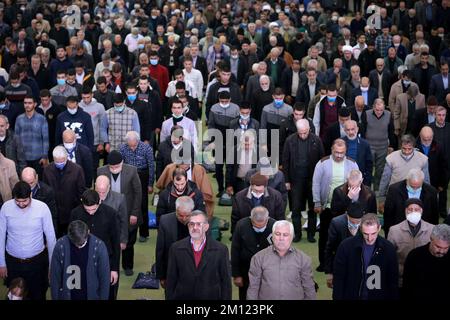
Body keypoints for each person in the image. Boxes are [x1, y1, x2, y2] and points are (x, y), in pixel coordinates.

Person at [0, 181, 56, 300]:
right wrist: (2, 263)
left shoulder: (42, 208)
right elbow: (1, 236)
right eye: (18, 201)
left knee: (38, 294)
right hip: (13, 263)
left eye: (24, 201)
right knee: (15, 297)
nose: (21, 204)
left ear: (30, 195)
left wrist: (52, 265)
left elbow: (51, 238)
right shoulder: (6, 208)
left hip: (37, 263)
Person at [313, 139, 359, 271]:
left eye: (342, 153)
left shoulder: (352, 164)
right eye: (336, 152)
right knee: (324, 237)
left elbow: (359, 183)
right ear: (332, 150)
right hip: (327, 207)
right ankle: (324, 263)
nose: (339, 155)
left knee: (345, 237)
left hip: (347, 208)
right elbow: (316, 183)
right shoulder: (322, 163)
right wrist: (317, 202)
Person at [166, 210, 231, 300]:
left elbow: (226, 282)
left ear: (206, 227)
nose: (195, 227)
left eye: (199, 224)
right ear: (188, 226)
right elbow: (171, 281)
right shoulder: (176, 248)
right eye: (192, 224)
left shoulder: (221, 250)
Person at [332, 213, 399, 300]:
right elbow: (339, 278)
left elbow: (392, 281)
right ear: (360, 229)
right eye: (366, 234)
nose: (370, 238)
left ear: (379, 228)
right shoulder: (346, 246)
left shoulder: (388, 249)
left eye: (373, 233)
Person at [97, 151, 142, 276]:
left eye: (117, 167)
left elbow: (138, 193)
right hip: (108, 211)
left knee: (129, 240)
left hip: (128, 211)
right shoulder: (101, 171)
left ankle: (127, 266)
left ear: (122, 163)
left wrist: (134, 213)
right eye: (112, 167)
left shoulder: (132, 171)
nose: (115, 169)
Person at [246, 220, 316, 300]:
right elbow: (253, 288)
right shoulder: (258, 258)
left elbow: (309, 288)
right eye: (277, 234)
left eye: (285, 235)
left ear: (292, 236)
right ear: (272, 236)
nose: (281, 238)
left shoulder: (303, 259)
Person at [70, 190, 120, 300]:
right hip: (82, 261)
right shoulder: (75, 214)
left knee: (107, 294)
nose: (91, 212)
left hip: (106, 261)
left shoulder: (111, 214)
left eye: (93, 209)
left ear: (100, 202)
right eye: (87, 209)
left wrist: (114, 269)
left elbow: (115, 243)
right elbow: (72, 241)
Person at [282, 119, 324, 242]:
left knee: (312, 209)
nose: (302, 135)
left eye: (305, 132)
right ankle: (297, 234)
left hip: (312, 180)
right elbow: (285, 161)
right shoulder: (290, 140)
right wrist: (286, 181)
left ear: (309, 129)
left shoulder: (316, 140)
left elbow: (322, 160)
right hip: (295, 181)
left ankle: (311, 234)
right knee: (295, 209)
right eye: (300, 133)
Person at [50, 220, 110, 300]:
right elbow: (55, 276)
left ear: (88, 232)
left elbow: (104, 278)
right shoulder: (60, 245)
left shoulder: (99, 246)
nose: (78, 247)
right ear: (69, 236)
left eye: (82, 243)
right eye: (75, 243)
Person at [387, 198, 434, 290]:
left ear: (421, 211)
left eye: (416, 209)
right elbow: (389, 256)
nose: (413, 212)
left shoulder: (432, 229)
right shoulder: (394, 230)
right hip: (402, 278)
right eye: (410, 209)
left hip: (425, 277)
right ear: (405, 211)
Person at [231, 206, 275, 300]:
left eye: (262, 226)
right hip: (246, 272)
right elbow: (235, 250)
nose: (259, 228)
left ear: (267, 219)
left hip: (269, 273)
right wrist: (236, 274)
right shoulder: (241, 225)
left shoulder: (275, 227)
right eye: (256, 225)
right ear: (251, 219)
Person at [42, 146, 86, 237]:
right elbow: (45, 192)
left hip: (71, 212)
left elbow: (81, 192)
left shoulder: (77, 170)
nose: (60, 163)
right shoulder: (47, 170)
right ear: (53, 159)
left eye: (62, 161)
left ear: (66, 157)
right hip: (54, 213)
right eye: (57, 161)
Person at [119, 131, 154, 243]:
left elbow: (151, 166)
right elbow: (120, 164)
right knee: (128, 203)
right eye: (130, 145)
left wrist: (150, 184)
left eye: (134, 145)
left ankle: (144, 233)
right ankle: (127, 230)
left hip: (142, 174)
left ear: (138, 141)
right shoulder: (122, 148)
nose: (132, 148)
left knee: (143, 204)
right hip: (128, 175)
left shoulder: (146, 148)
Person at [383, 169, 438, 237]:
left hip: (424, 233)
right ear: (407, 180)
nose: (415, 189)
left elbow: (434, 216)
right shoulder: (394, 190)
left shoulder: (431, 191)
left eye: (418, 187)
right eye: (412, 187)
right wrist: (388, 234)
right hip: (400, 231)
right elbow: (388, 215)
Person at [402, 224, 450, 300]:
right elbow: (407, 286)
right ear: (431, 238)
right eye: (438, 246)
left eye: (446, 248)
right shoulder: (415, 256)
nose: (441, 251)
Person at [155, 196, 194, 289]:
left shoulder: (200, 222)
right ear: (176, 210)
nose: (184, 219)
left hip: (194, 271)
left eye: (187, 215)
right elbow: (160, 250)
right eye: (180, 215)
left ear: (192, 211)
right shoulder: (165, 221)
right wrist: (162, 276)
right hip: (172, 269)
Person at [324, 202, 365, 289]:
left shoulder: (368, 223)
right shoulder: (336, 223)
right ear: (347, 215)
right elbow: (329, 248)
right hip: (341, 265)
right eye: (352, 221)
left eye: (358, 222)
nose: (355, 224)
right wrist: (330, 273)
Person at [360, 99, 396, 191]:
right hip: (369, 146)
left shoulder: (388, 115)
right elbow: (362, 131)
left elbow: (391, 131)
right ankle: (367, 189)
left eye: (381, 110)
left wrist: (391, 145)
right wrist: (363, 144)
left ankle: (377, 190)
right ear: (373, 107)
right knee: (368, 168)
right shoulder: (366, 114)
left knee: (380, 170)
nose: (379, 112)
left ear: (384, 108)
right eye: (377, 110)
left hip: (383, 147)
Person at [416, 126, 449, 218]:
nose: (427, 142)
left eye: (429, 139)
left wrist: (443, 184)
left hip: (436, 178)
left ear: (432, 137)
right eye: (424, 139)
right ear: (420, 136)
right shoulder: (415, 145)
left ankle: (441, 213)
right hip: (419, 178)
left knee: (439, 198)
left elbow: (444, 166)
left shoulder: (439, 146)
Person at [14, 95, 49, 176]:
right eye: (25, 103)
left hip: (38, 158)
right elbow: (16, 139)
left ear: (35, 104)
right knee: (24, 183)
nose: (27, 105)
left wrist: (44, 156)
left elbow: (46, 139)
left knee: (38, 182)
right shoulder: (19, 119)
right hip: (23, 158)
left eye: (30, 103)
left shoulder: (41, 119)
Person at [94, 175, 128, 251]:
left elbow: (124, 221)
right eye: (99, 192)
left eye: (104, 192)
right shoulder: (89, 197)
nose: (101, 195)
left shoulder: (120, 199)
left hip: (112, 238)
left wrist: (123, 240)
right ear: (95, 186)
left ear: (109, 187)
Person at [21, 167, 57, 233]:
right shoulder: (18, 190)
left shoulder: (47, 192)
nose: (28, 186)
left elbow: (52, 215)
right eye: (26, 183)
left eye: (31, 183)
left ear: (36, 178)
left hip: (41, 229)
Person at [342, 120, 373, 186]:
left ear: (357, 129)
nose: (351, 132)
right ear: (344, 130)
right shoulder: (340, 142)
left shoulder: (365, 144)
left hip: (360, 178)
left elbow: (369, 164)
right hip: (344, 177)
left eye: (353, 129)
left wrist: (367, 181)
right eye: (348, 130)